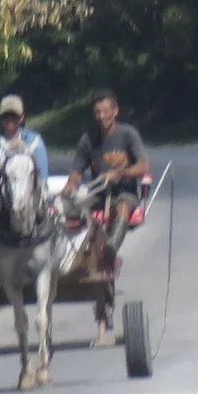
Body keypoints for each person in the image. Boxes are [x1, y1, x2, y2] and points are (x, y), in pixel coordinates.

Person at [68, 89, 152, 338]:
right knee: (72, 211)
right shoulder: (88, 139)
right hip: (97, 194)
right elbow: (77, 169)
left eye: (105, 111)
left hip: (124, 191)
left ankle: (112, 248)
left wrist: (121, 173)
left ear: (115, 112)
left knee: (122, 207)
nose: (101, 116)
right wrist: (71, 185)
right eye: (97, 112)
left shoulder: (128, 134)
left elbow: (144, 165)